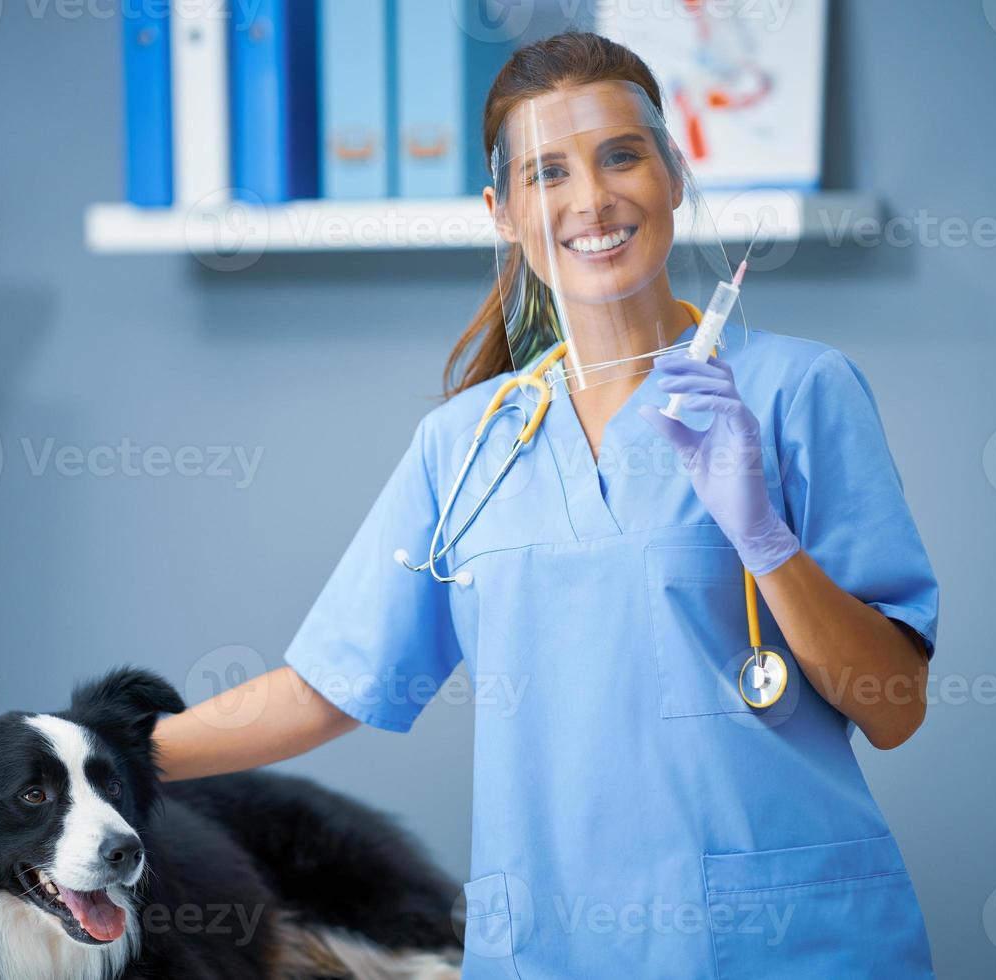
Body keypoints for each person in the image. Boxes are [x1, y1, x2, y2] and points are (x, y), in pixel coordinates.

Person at [154, 32, 937, 978]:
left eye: (621, 155)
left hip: (779, 946)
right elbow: (329, 688)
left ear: (674, 172)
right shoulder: (467, 442)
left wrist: (761, 536)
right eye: (546, 172)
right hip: (552, 948)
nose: (591, 199)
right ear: (503, 210)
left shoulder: (797, 391)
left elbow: (892, 708)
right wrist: (89, 755)